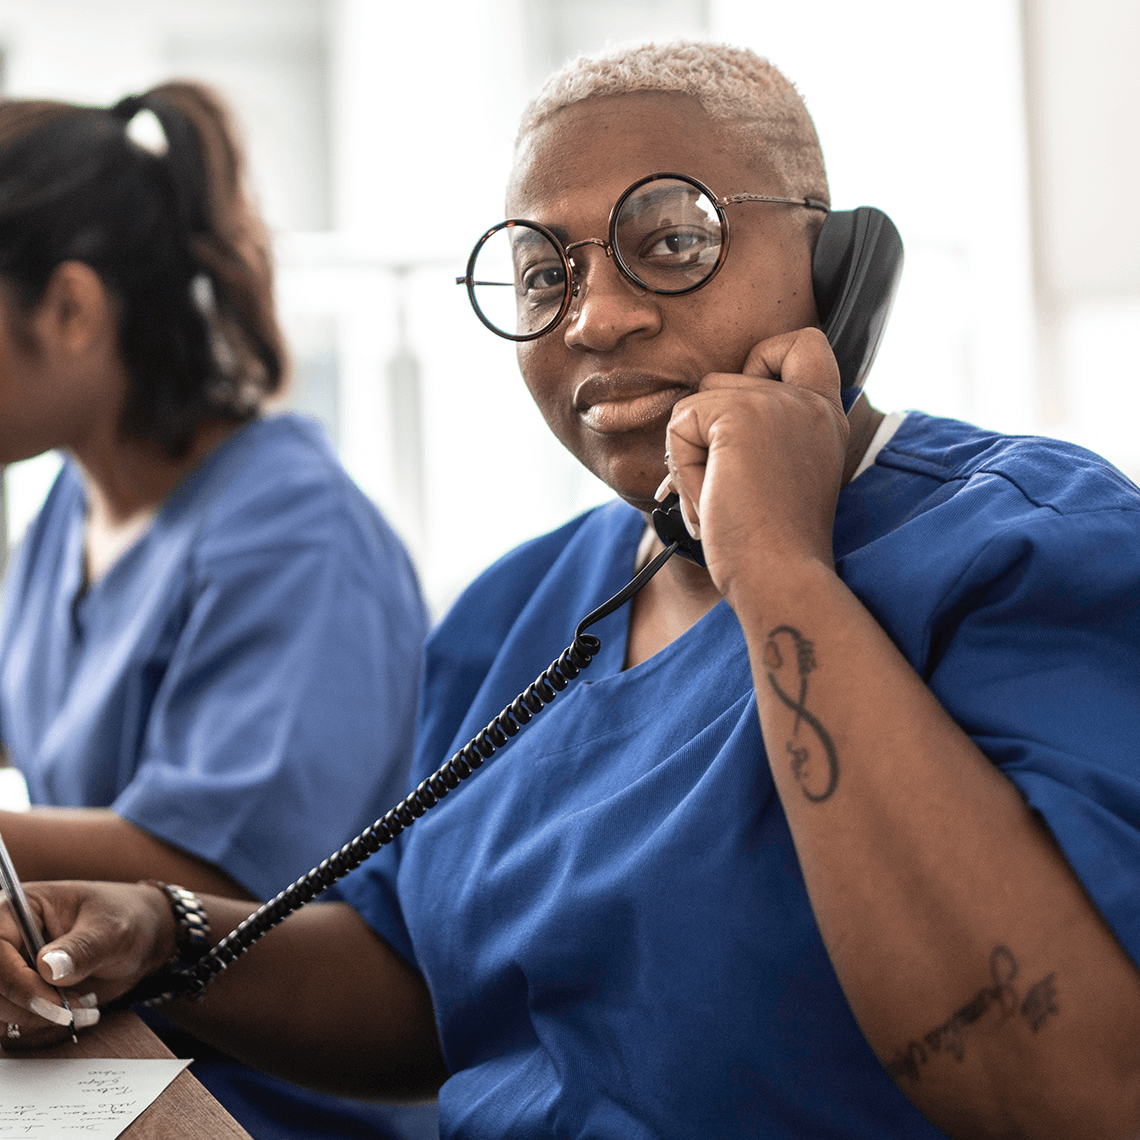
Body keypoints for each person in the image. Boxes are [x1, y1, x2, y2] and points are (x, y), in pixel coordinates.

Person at [2, 40, 1140, 1140]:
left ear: (838, 267)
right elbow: (431, 991)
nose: (594, 318)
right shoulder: (524, 605)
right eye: (544, 276)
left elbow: (1072, 1085)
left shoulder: (1025, 544)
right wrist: (160, 929)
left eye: (673, 240)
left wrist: (779, 564)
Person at [0, 84, 438, 1139]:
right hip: (99, 1050)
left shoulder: (297, 539)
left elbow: (216, 873)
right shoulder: (76, 504)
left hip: (263, 1099)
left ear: (69, 309)